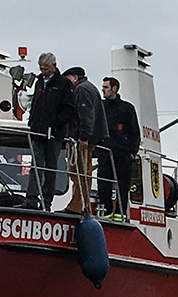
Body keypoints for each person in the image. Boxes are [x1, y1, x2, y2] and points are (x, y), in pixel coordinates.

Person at [25, 53, 74, 211]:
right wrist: (32, 121)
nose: (43, 71)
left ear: (54, 65)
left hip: (54, 134)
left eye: (45, 68)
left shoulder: (64, 84)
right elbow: (36, 103)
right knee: (36, 166)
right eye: (41, 68)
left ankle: (47, 201)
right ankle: (31, 200)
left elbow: (69, 109)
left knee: (50, 168)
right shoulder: (39, 81)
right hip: (37, 130)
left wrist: (55, 123)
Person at [59, 66, 108, 215]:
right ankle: (82, 204)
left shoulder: (81, 90)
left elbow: (86, 114)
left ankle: (76, 206)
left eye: (67, 80)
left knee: (79, 173)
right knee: (83, 172)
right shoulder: (89, 88)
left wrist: (83, 137)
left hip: (83, 139)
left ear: (74, 77)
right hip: (89, 137)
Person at [97, 77, 140, 217]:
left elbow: (134, 131)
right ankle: (107, 212)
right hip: (104, 152)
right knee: (103, 185)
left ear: (114, 88)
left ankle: (120, 213)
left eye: (105, 87)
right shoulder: (100, 106)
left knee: (123, 186)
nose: (102, 89)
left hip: (122, 154)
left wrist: (132, 151)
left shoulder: (127, 109)